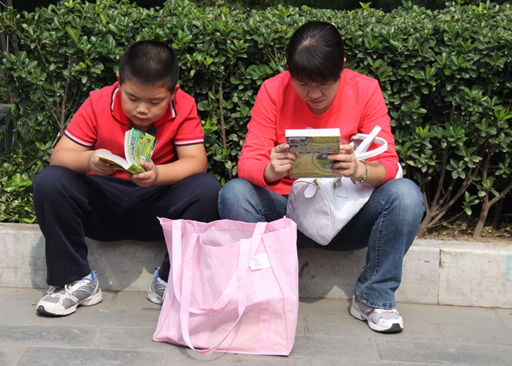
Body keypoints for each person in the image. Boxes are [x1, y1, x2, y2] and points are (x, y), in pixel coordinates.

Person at [218, 22, 425, 333]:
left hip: (346, 215)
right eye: (302, 83)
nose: (313, 94)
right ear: (288, 71)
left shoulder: (365, 89)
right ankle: (266, 293)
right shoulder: (273, 90)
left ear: (342, 67)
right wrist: (270, 170)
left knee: (407, 195)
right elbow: (247, 162)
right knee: (233, 193)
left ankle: (374, 298)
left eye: (324, 83)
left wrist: (359, 170)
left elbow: (389, 165)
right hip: (287, 218)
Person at [31, 40, 221, 316]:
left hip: (156, 208)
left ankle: (171, 279)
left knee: (207, 188)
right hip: (102, 205)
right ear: (118, 81)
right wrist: (90, 159)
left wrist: (158, 174)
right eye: (132, 98)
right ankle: (75, 280)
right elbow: (59, 155)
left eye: (155, 101)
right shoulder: (98, 102)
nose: (142, 109)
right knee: (50, 181)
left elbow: (196, 161)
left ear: (173, 92)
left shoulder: (184, 106)